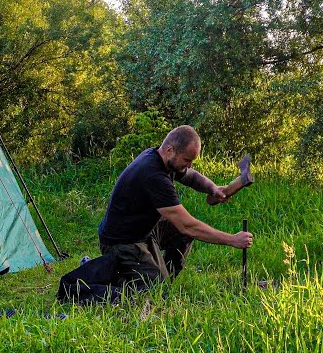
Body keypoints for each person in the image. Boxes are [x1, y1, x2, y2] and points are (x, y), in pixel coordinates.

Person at [97, 125, 253, 291]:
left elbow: (190, 176)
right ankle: (109, 273)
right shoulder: (153, 175)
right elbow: (187, 225)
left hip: (143, 232)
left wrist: (213, 188)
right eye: (187, 160)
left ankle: (162, 279)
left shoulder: (162, 157)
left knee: (180, 236)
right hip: (121, 243)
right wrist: (232, 239)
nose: (190, 165)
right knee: (155, 290)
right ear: (170, 150)